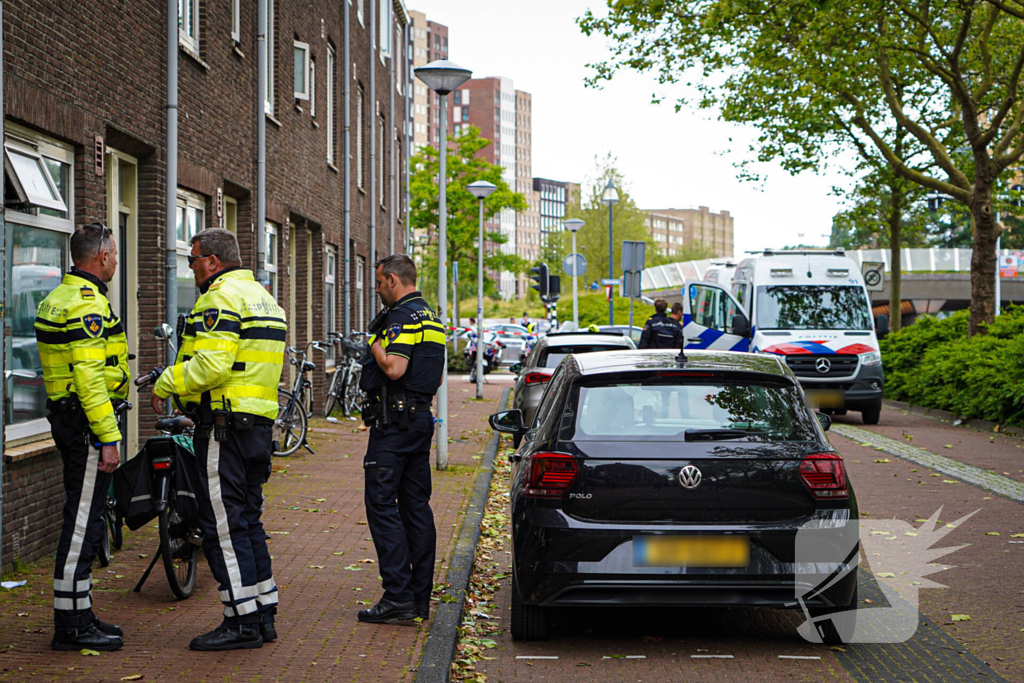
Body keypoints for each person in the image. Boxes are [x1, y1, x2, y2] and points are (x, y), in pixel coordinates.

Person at [151, 228, 286, 651]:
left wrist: (165, 384)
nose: (190, 268)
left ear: (211, 260)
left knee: (222, 528)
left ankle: (240, 621)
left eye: (192, 260)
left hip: (225, 429)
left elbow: (211, 365)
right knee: (248, 520)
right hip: (258, 427)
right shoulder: (265, 298)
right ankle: (262, 612)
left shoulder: (219, 298)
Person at [35, 223, 130, 652]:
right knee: (82, 523)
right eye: (113, 254)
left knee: (86, 517)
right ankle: (70, 626)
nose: (114, 260)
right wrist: (108, 438)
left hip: (70, 418)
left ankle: (80, 609)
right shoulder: (85, 305)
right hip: (87, 423)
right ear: (103, 257)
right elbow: (90, 379)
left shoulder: (57, 298)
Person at [357, 254, 444, 624]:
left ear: (393, 279)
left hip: (393, 427)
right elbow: (435, 379)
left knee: (381, 506)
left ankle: (397, 596)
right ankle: (419, 599)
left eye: (378, 283)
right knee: (416, 509)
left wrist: (374, 342)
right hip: (420, 421)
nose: (377, 290)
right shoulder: (433, 319)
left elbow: (394, 367)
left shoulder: (400, 317)